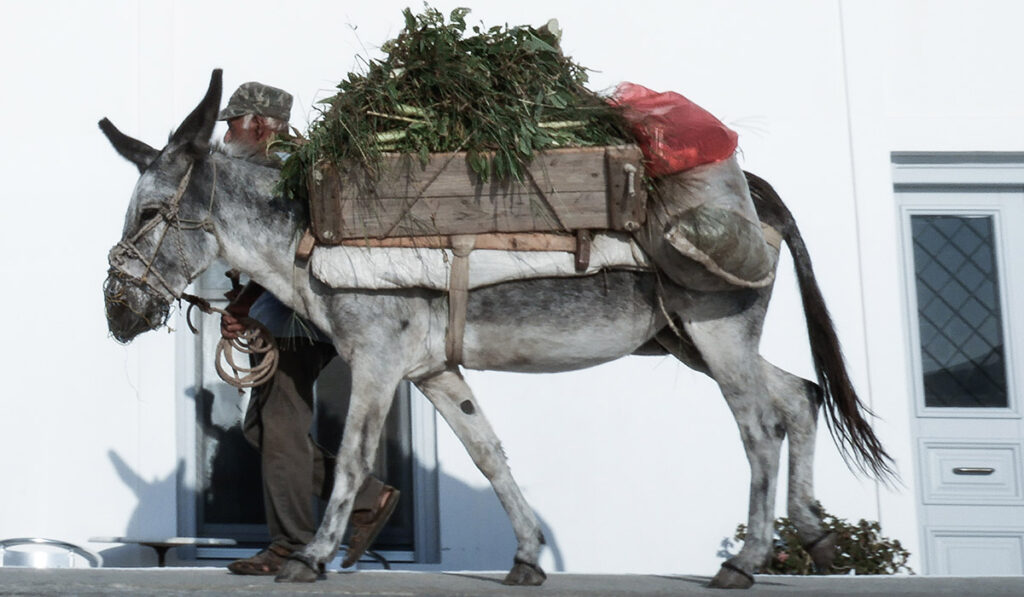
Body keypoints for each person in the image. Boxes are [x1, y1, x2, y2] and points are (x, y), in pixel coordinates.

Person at [216, 82, 400, 576]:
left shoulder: (282, 169)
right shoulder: (282, 165)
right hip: (287, 314)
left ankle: (291, 545)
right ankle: (366, 496)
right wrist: (247, 301)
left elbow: (285, 250)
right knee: (262, 428)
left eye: (233, 121)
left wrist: (247, 303)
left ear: (259, 123)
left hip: (298, 317)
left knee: (279, 429)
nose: (228, 131)